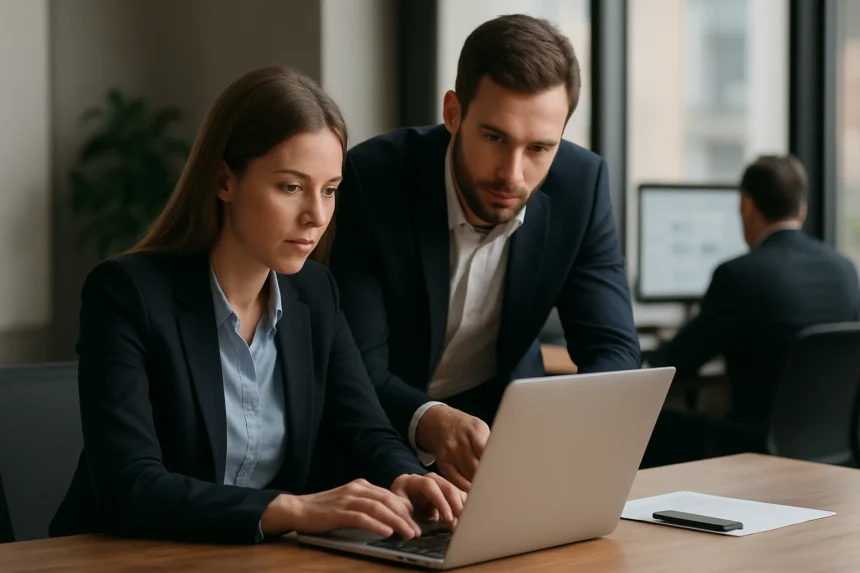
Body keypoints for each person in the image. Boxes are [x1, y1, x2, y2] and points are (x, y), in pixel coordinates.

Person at [49, 67, 464, 544]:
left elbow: (364, 429)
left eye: (329, 190)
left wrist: (403, 477)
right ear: (224, 180)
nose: (317, 216)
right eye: (291, 187)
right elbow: (130, 486)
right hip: (118, 558)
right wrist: (289, 508)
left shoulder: (315, 293)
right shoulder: (126, 295)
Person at [325, 14, 640, 492]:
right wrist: (428, 418)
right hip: (376, 436)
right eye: (495, 138)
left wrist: (562, 429)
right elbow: (357, 363)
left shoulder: (582, 185)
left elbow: (614, 349)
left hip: (504, 441)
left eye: (539, 148)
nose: (513, 174)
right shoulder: (374, 180)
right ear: (453, 113)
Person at [646, 155, 860, 463]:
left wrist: (655, 351)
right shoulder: (845, 270)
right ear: (802, 209)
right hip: (833, 451)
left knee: (660, 423)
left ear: (746, 205)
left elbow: (678, 361)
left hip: (758, 447)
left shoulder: (740, 274)